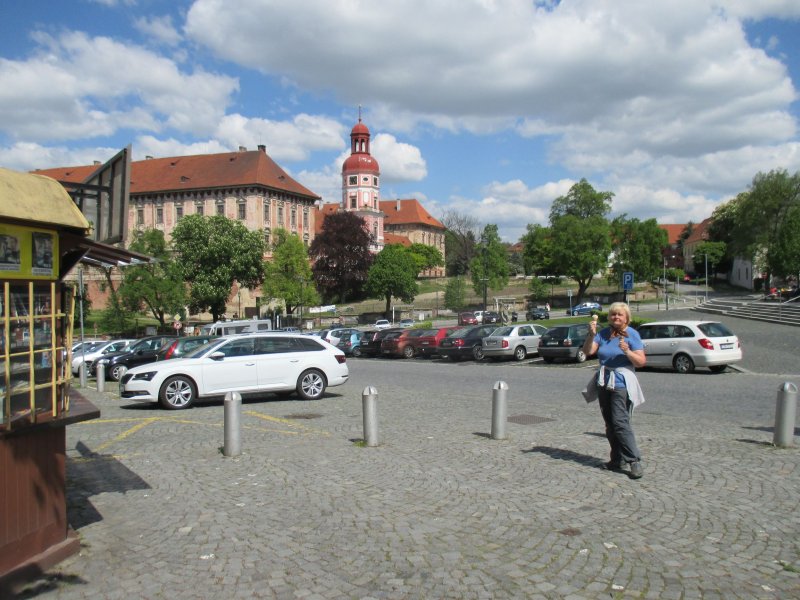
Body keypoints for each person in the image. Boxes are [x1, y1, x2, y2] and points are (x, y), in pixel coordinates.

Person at [581, 302, 647, 479]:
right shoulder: (603, 334)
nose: (616, 317)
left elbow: (641, 362)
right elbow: (588, 351)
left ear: (627, 318)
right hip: (604, 382)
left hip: (621, 383)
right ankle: (616, 459)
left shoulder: (633, 335)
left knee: (620, 422)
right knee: (610, 424)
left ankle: (634, 460)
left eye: (620, 315)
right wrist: (591, 335)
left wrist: (627, 352)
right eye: (613, 315)